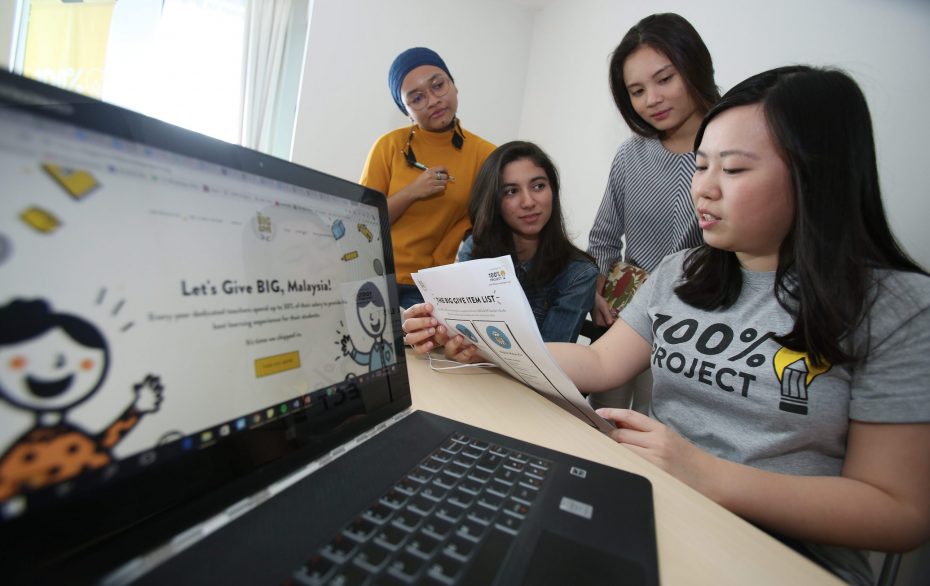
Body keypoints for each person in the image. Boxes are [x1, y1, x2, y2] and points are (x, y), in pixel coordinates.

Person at [402, 66, 930, 585]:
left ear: (816, 175)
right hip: (652, 499)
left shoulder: (897, 305)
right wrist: (483, 343)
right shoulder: (682, 272)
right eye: (700, 167)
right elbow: (600, 360)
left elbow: (898, 510)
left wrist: (706, 473)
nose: (705, 189)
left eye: (735, 170)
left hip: (781, 550)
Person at [588, 13, 718, 328]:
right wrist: (593, 293)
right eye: (637, 91)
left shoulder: (729, 154)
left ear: (694, 67)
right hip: (628, 318)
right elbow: (603, 239)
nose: (652, 100)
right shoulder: (630, 155)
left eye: (664, 79)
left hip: (702, 321)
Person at [360, 47, 496, 309]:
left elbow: (489, 229)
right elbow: (362, 224)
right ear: (406, 109)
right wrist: (412, 191)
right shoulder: (388, 146)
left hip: (429, 288)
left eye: (438, 85)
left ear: (454, 86)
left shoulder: (486, 155)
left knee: (419, 349)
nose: (433, 100)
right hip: (373, 275)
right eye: (417, 98)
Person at [457, 141, 597, 342]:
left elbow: (550, 363)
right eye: (511, 191)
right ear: (493, 201)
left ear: (553, 191)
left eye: (538, 186)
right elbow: (459, 328)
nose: (529, 202)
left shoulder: (579, 274)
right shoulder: (475, 248)